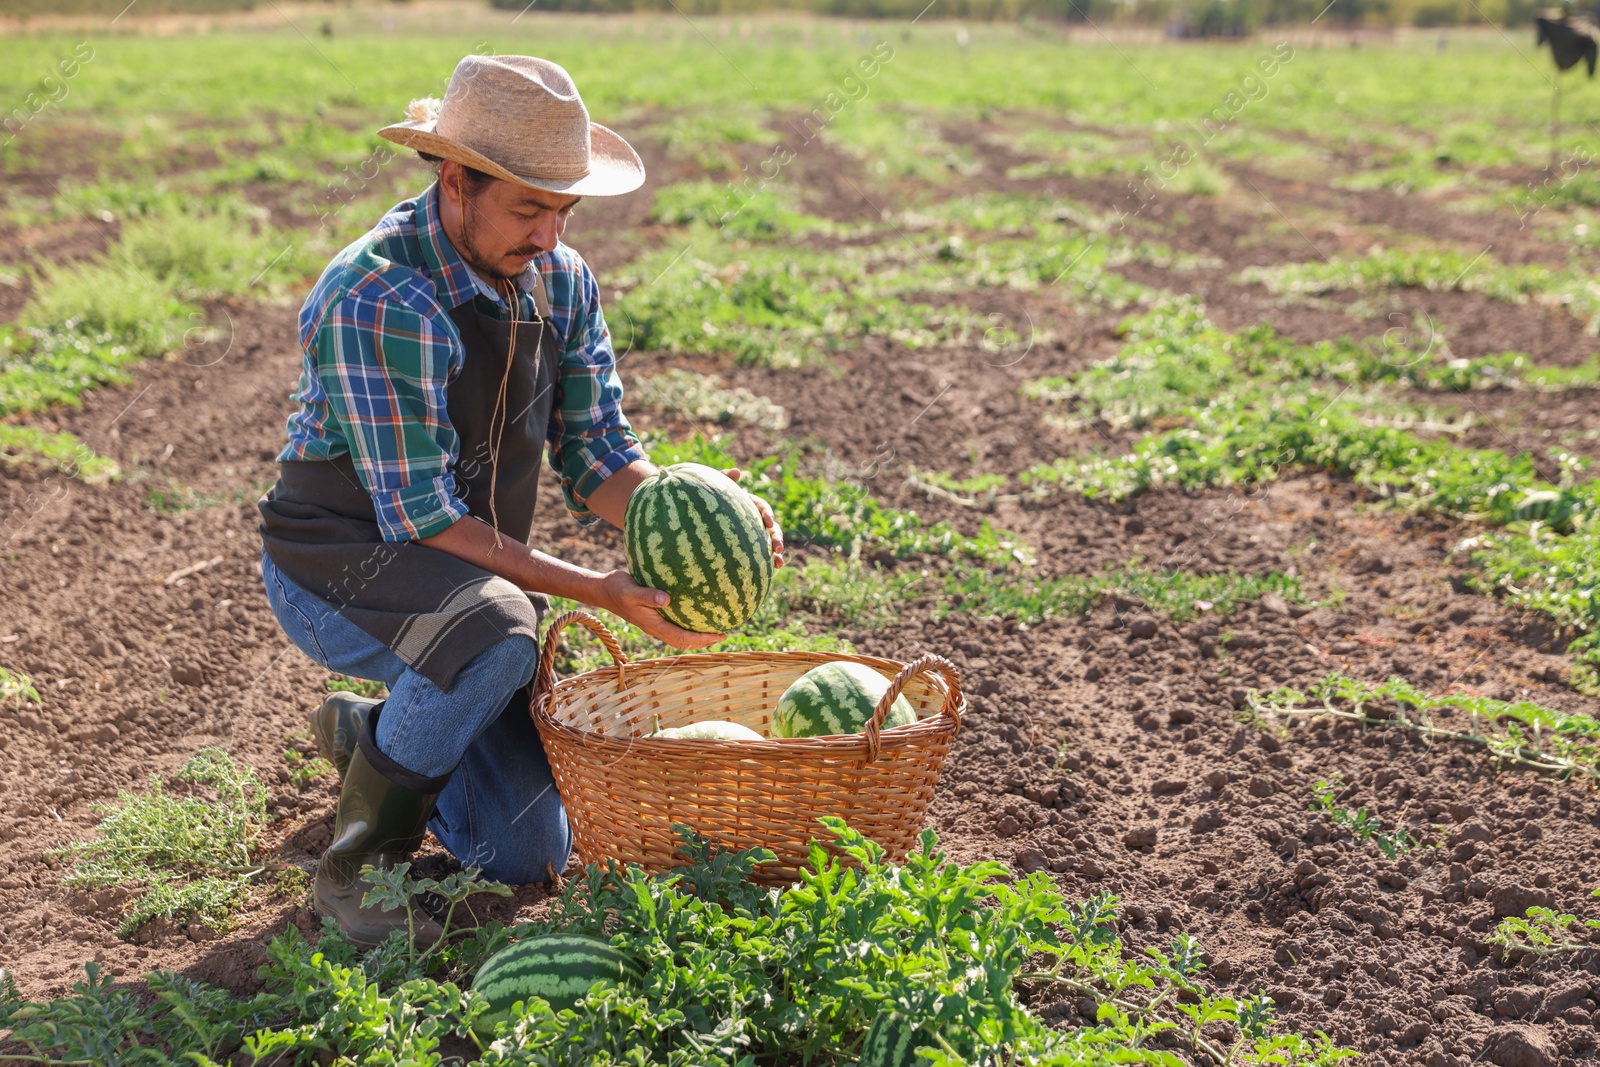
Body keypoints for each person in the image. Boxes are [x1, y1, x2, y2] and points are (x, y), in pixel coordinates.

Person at [256, 54, 783, 947]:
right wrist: (603, 593)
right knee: (505, 630)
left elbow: (599, 455)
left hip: (461, 582)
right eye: (528, 208)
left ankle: (373, 738)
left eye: (563, 210)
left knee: (527, 853)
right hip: (339, 565)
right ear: (455, 182)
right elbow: (418, 518)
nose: (549, 236)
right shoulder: (380, 294)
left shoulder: (563, 282)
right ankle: (356, 873)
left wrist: (688, 506)